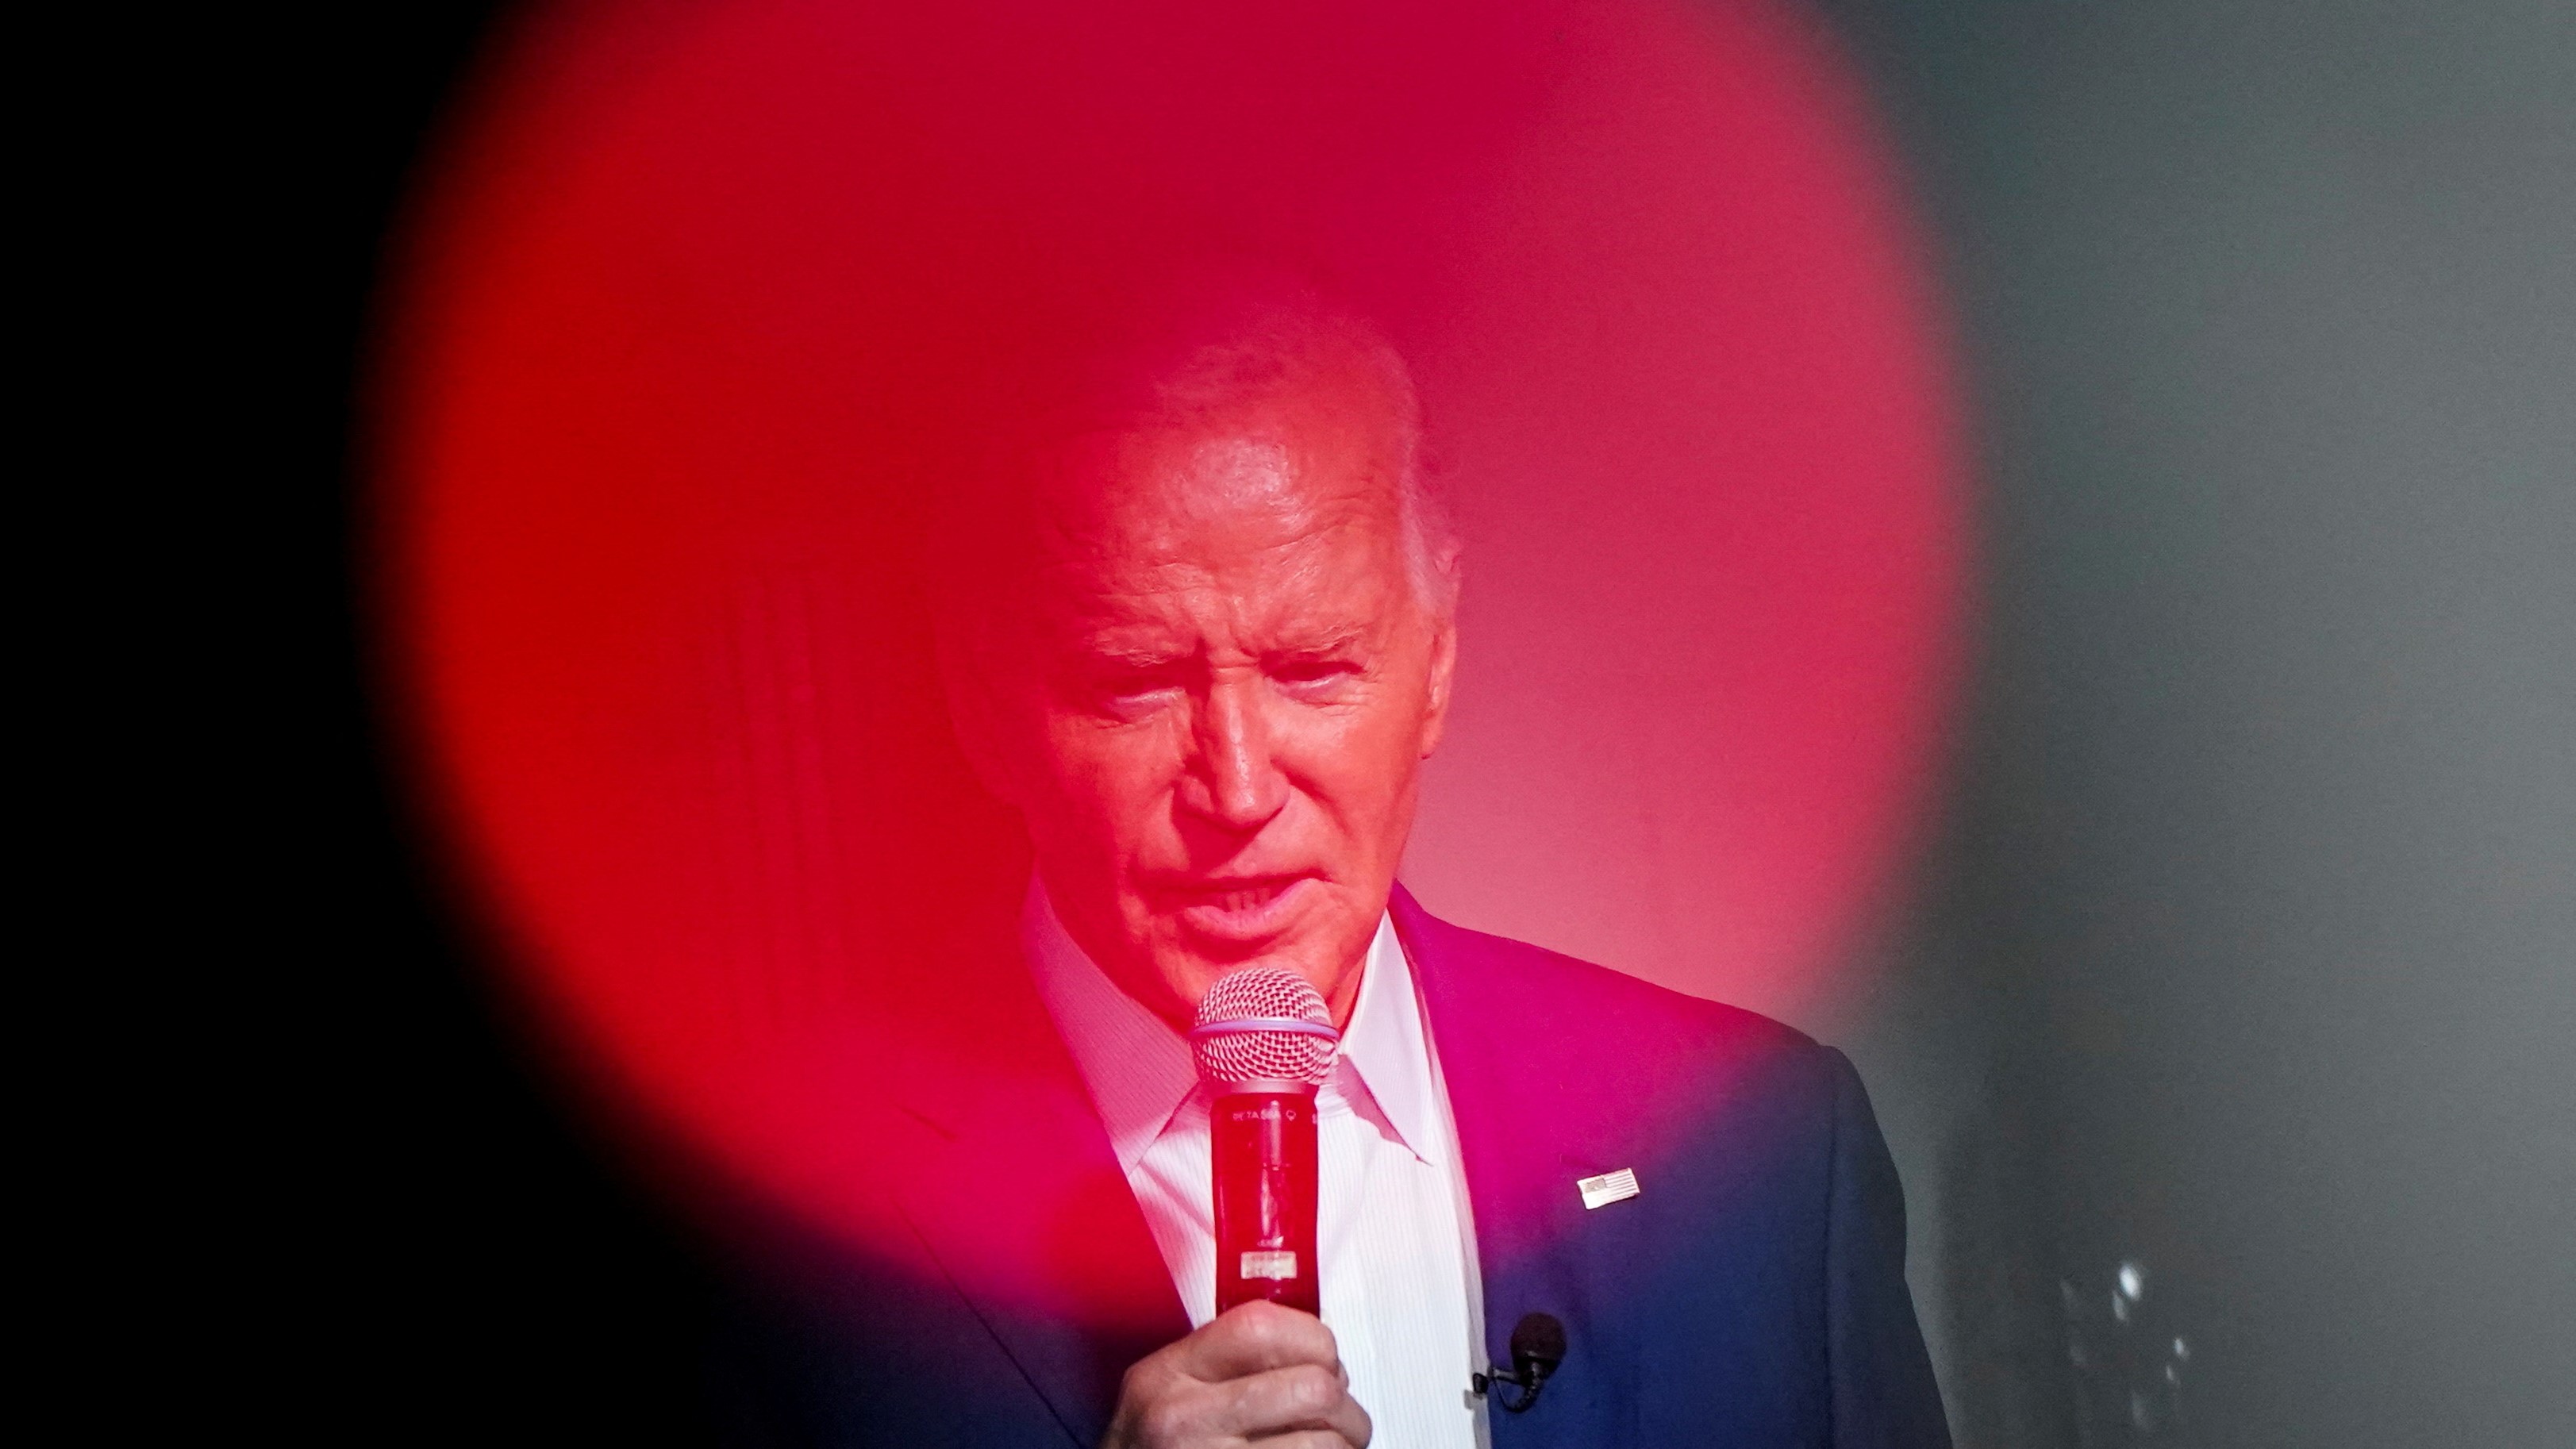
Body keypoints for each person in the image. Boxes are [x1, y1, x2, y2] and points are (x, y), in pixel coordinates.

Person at [717, 274, 1950, 1448]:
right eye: (1134, 681)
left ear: (1437, 668)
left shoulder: (1763, 1148)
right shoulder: (759, 1228)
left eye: (1313, 667)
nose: (1237, 789)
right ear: (986, 703)